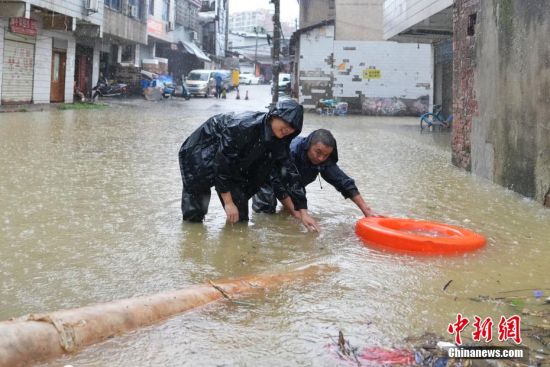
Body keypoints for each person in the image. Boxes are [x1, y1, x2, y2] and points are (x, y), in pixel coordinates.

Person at [178, 99, 320, 231]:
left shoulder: (280, 141)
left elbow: (290, 172)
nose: (287, 129)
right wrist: (228, 202)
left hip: (232, 163)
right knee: (195, 215)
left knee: (239, 219)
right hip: (199, 153)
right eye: (286, 123)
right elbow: (223, 163)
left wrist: (303, 211)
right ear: (273, 116)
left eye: (292, 128)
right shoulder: (243, 126)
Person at [252, 129, 374, 218]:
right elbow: (278, 184)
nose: (321, 158)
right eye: (318, 152)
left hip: (295, 184)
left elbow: (344, 182)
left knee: (293, 213)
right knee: (265, 216)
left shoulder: (324, 161)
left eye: (325, 155)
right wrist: (297, 214)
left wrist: (366, 210)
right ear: (309, 146)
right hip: (267, 178)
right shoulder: (291, 152)